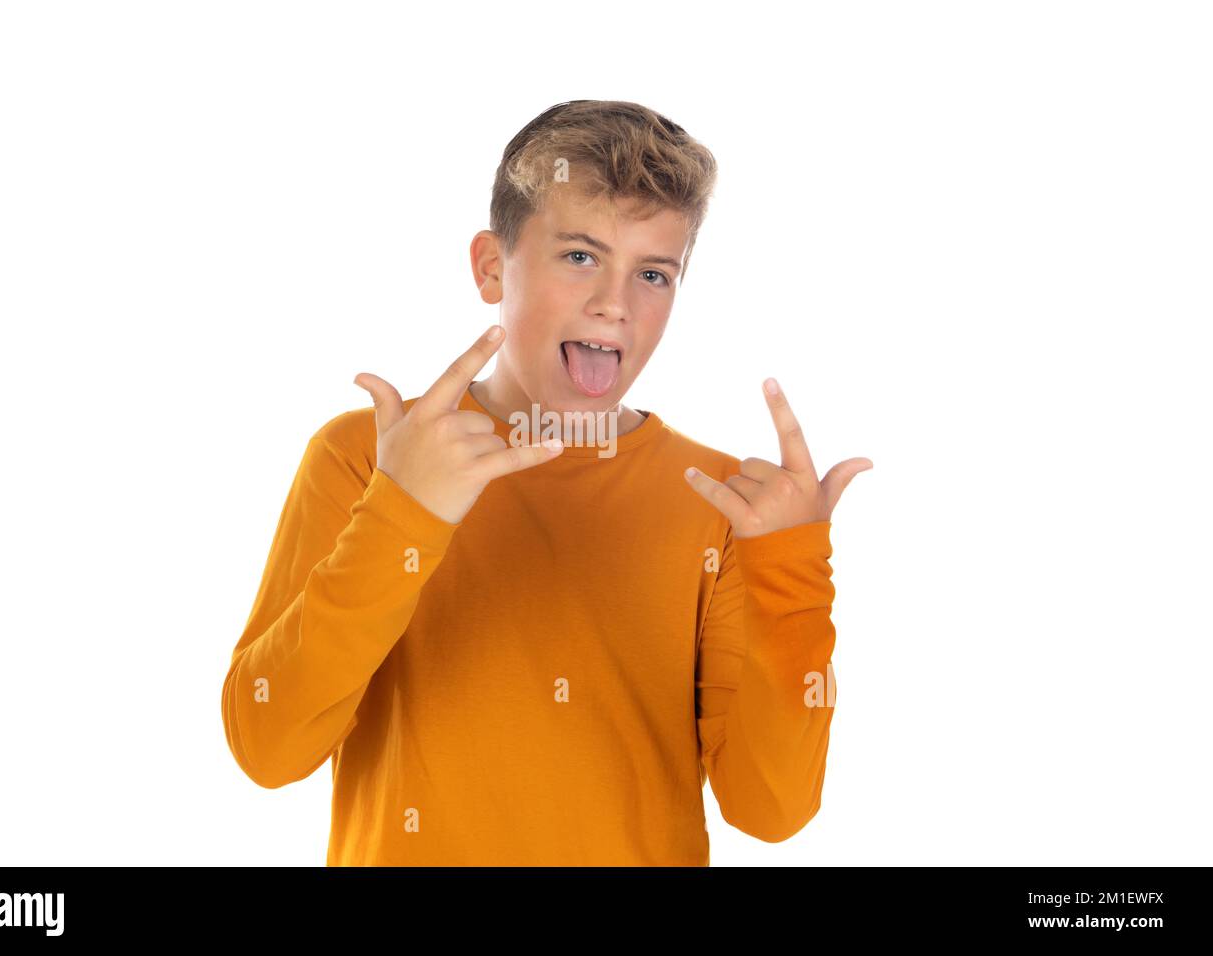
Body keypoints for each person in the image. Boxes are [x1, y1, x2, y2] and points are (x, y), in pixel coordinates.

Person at [220, 99, 873, 866]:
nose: (615, 305)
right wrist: (401, 514)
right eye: (580, 256)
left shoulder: (724, 505)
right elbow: (267, 747)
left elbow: (771, 811)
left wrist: (790, 575)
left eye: (654, 274)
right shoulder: (368, 458)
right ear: (492, 267)